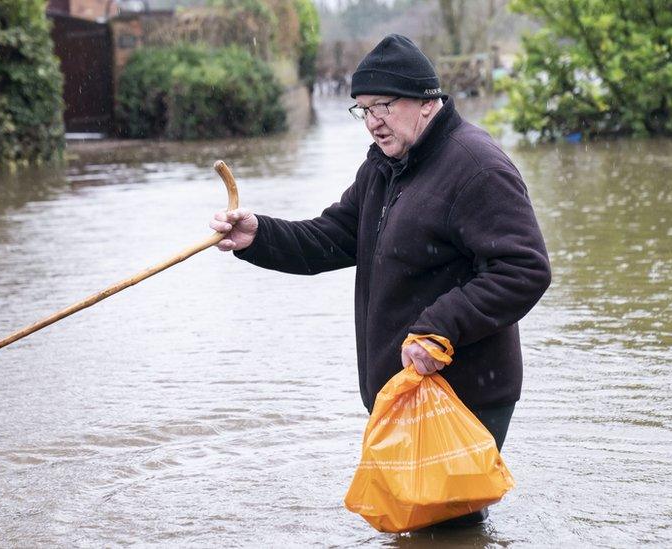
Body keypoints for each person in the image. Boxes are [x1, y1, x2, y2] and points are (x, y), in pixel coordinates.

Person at [210, 34, 551, 526]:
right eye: (363, 109)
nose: (372, 122)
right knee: (421, 530)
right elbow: (332, 236)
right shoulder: (385, 166)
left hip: (463, 392)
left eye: (383, 106)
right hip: (402, 392)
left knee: (442, 531)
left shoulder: (476, 167)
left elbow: (525, 269)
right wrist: (258, 235)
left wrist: (440, 326)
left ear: (427, 103)